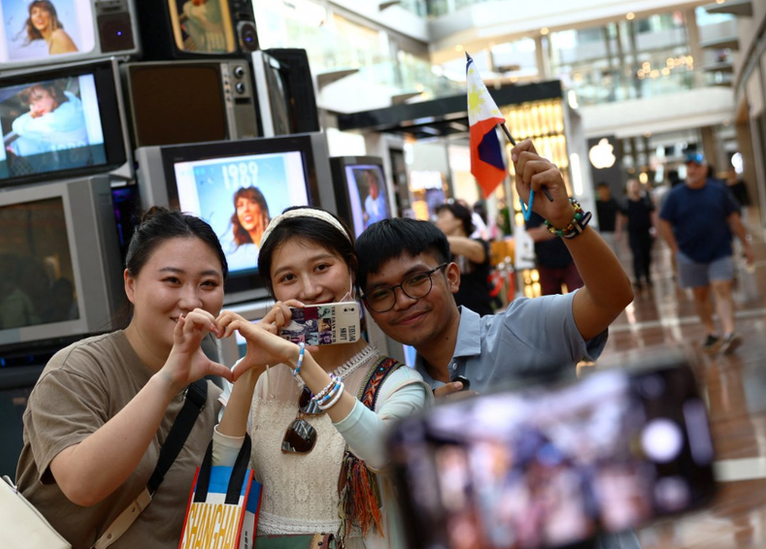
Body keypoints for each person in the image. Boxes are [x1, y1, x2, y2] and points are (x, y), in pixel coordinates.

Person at [355, 140, 637, 549]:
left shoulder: (521, 328)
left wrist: (567, 222)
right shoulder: (403, 398)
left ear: (451, 277)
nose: (403, 301)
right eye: (382, 294)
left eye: (417, 279)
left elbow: (612, 297)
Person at [15, 208, 234, 549]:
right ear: (131, 284)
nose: (191, 301)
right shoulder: (77, 369)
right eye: (172, 281)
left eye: (208, 284)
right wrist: (167, 380)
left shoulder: (208, 397)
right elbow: (82, 484)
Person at [216, 207, 431, 547]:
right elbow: (221, 472)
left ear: (351, 270)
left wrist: (300, 360)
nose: (310, 289)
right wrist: (252, 370)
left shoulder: (399, 383)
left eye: (321, 267)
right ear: (273, 291)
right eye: (288, 278)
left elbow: (383, 452)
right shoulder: (261, 380)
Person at [658, 152, 753, 354]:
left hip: (720, 251)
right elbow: (663, 222)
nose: (692, 170)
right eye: (689, 166)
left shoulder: (719, 191)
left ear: (704, 169)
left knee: (721, 288)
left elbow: (734, 219)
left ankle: (729, 332)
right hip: (690, 254)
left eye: (696, 166)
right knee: (700, 296)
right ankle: (711, 333)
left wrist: (746, 245)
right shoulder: (675, 195)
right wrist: (675, 250)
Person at [434, 202, 495, 316]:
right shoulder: (441, 252)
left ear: (459, 220)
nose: (438, 221)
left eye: (442, 216)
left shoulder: (478, 243)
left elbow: (476, 252)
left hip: (479, 313)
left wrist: (436, 237)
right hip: (452, 316)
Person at [8, 80, 89, 159]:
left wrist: (31, 113)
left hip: (70, 158)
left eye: (39, 98)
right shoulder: (69, 98)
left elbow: (17, 126)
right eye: (32, 103)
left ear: (52, 91)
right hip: (73, 150)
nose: (37, 107)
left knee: (22, 143)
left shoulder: (57, 119)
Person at [524, 208, 583, 296]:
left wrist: (546, 228)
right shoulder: (534, 208)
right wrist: (561, 226)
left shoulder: (567, 201)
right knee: (551, 302)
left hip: (570, 260)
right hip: (546, 263)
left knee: (578, 294)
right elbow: (535, 235)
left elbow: (577, 226)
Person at [621, 179, 657, 289]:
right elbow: (622, 217)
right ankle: (638, 279)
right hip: (634, 234)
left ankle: (647, 276)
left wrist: (655, 228)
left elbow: (652, 214)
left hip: (645, 232)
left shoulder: (645, 201)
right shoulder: (626, 203)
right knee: (637, 256)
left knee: (647, 255)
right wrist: (620, 231)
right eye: (631, 186)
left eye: (635, 185)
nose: (634, 188)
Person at [594, 182, 620, 253]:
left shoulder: (613, 202)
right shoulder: (596, 204)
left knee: (615, 252)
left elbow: (618, 215)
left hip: (613, 231)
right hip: (602, 232)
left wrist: (618, 230)